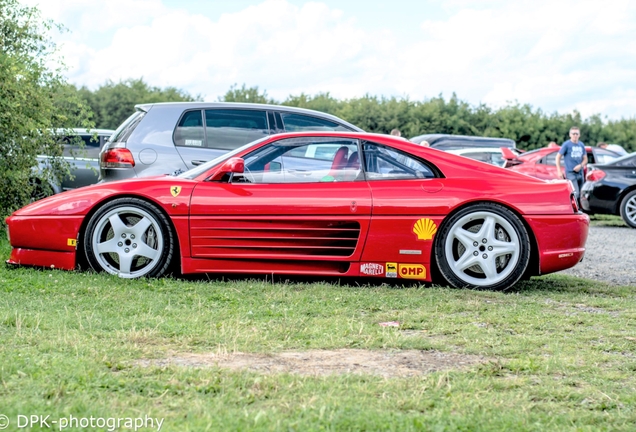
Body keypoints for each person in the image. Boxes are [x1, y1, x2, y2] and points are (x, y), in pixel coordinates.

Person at [555, 127, 587, 204]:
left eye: (577, 134)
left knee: (581, 193)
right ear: (570, 135)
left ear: (579, 135)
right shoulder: (567, 144)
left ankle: (580, 210)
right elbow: (558, 157)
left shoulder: (581, 145)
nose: (575, 135)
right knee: (575, 193)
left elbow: (585, 159)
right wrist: (559, 171)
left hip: (580, 172)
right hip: (570, 173)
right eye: (573, 134)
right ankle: (575, 210)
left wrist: (580, 165)